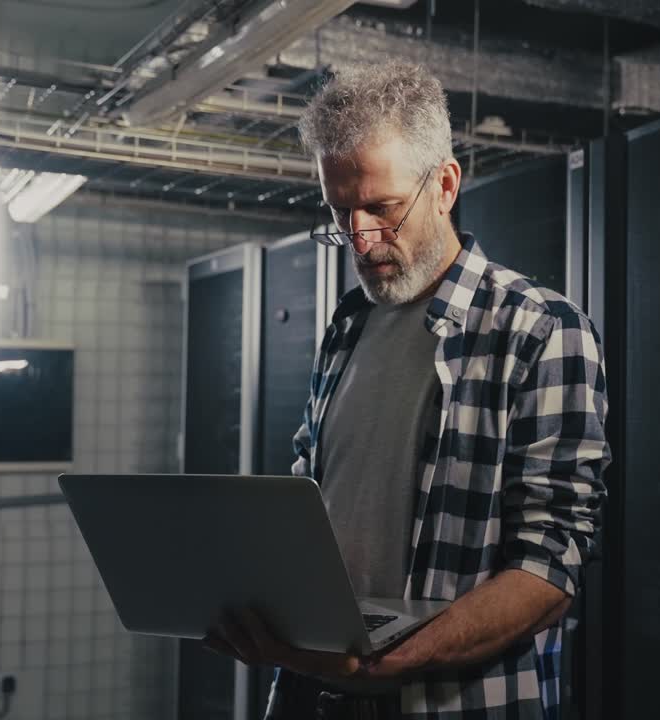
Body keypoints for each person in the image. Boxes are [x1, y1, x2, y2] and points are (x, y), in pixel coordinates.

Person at [203, 59, 611, 720]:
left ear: (445, 185)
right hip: (310, 696)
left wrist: (397, 657)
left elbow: (551, 568)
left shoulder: (539, 331)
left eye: (383, 207)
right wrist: (265, 611)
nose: (361, 238)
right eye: (342, 211)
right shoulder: (347, 325)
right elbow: (309, 501)